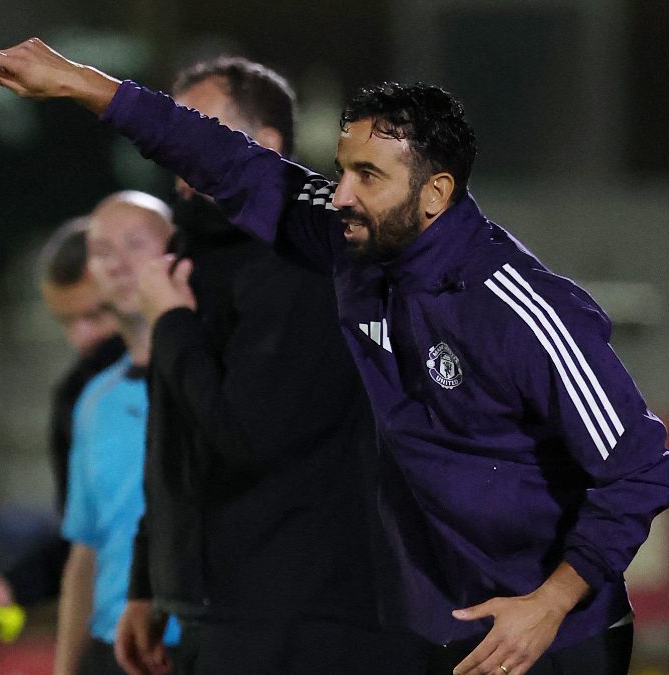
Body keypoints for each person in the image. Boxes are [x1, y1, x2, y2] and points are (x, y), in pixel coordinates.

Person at [0, 38, 669, 675]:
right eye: (341, 169)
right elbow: (232, 160)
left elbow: (641, 467)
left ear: (434, 195)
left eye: (368, 175)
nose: (339, 193)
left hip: (551, 635)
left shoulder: (517, 308)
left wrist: (550, 604)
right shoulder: (349, 241)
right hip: (439, 625)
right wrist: (87, 86)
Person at [109, 57, 417, 674]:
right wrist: (150, 581)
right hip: (223, 606)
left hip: (306, 615)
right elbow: (177, 437)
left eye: (195, 127)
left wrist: (171, 324)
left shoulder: (304, 262)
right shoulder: (199, 254)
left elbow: (248, 434)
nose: (177, 149)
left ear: (264, 146)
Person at [55, 192, 180, 674]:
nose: (120, 265)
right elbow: (84, 553)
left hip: (199, 647)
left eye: (136, 245)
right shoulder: (94, 402)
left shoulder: (223, 377)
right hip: (111, 652)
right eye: (104, 252)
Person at [0, 217, 123, 609]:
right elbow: (85, 536)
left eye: (96, 315)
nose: (80, 338)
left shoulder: (198, 377)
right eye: (67, 321)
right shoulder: (76, 398)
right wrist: (11, 588)